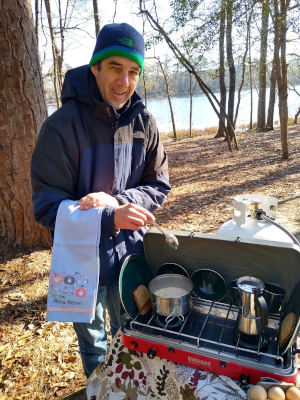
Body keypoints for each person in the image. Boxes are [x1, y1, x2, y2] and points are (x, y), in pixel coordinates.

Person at [31, 22, 171, 378]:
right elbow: (47, 206)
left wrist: (115, 202)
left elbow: (158, 183)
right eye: (114, 68)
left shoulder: (145, 124)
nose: (124, 82)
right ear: (95, 67)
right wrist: (108, 218)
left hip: (130, 258)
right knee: (94, 345)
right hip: (80, 263)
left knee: (133, 337)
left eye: (133, 71)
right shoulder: (60, 128)